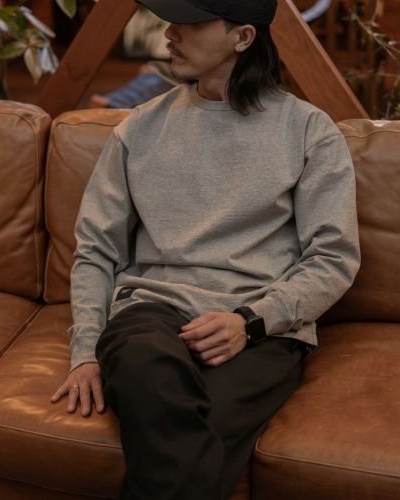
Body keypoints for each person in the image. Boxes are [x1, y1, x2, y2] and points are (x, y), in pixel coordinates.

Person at [51, 1, 361, 498]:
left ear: (243, 37)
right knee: (146, 369)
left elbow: (333, 258)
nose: (169, 33)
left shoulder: (309, 131)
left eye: (190, 23)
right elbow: (96, 250)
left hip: (260, 327)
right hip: (151, 313)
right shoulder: (139, 128)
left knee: (194, 428)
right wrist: (85, 351)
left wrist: (250, 321)